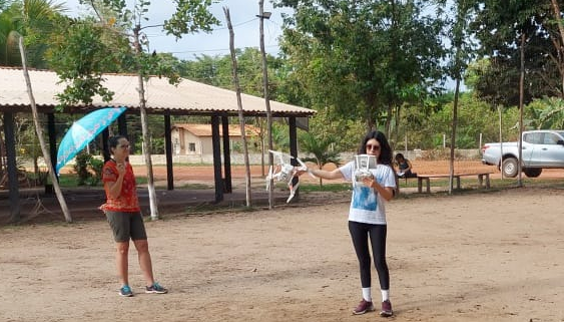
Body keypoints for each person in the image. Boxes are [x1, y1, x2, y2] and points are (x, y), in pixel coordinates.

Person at [297, 130, 396, 317]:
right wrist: (307, 170)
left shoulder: (385, 170)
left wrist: (375, 184)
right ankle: (366, 300)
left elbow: (389, 196)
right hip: (356, 220)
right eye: (369, 146)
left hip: (377, 222)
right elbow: (330, 175)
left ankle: (386, 300)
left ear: (381, 150)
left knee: (379, 261)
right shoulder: (355, 166)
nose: (372, 150)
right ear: (364, 147)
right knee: (363, 261)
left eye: (376, 147)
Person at [101, 135, 168, 297]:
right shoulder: (109, 168)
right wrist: (121, 175)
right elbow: (113, 194)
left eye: (128, 146)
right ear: (113, 149)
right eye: (123, 146)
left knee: (143, 245)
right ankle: (124, 285)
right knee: (123, 249)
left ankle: (150, 283)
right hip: (117, 211)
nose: (127, 149)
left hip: (133, 210)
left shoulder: (128, 166)